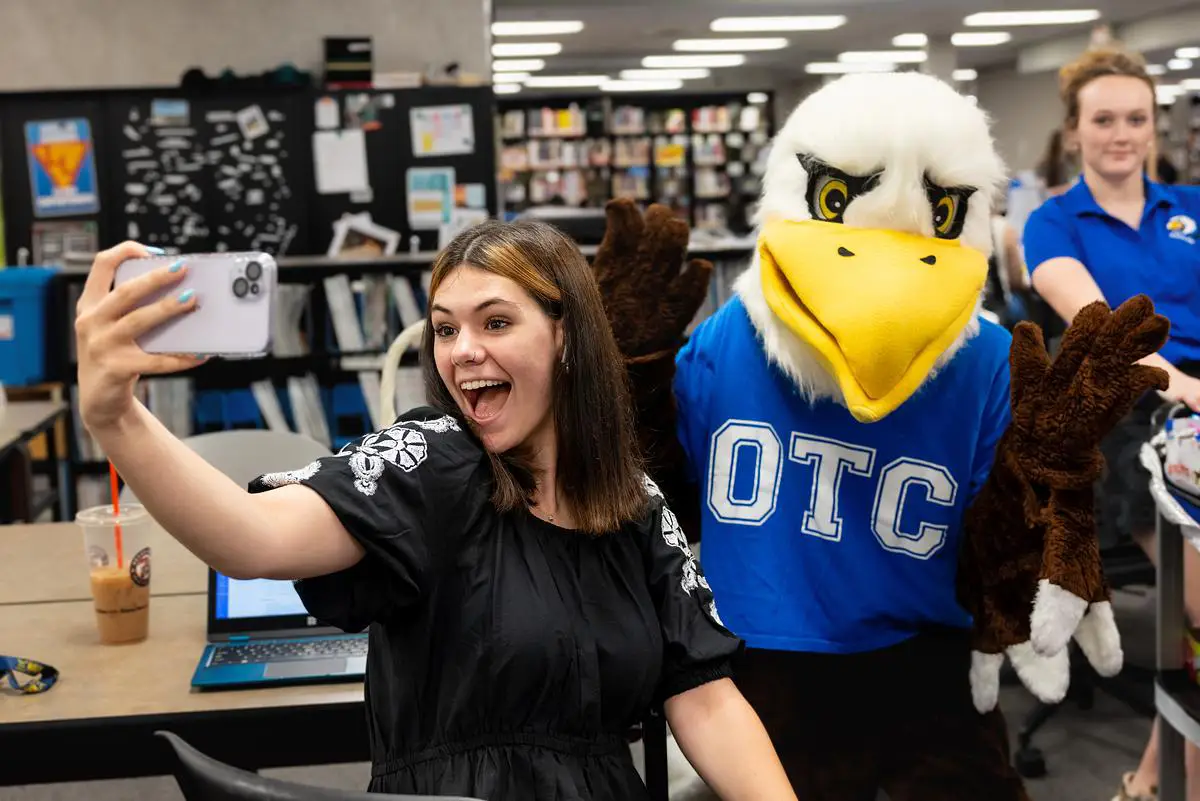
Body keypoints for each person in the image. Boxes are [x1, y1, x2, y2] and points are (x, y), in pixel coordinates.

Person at [72, 221, 797, 801]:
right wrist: (115, 417)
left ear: (566, 335)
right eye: (445, 329)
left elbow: (705, 698)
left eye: (496, 322)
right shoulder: (434, 458)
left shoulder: (633, 503)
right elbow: (251, 538)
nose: (463, 351)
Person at [1022, 45, 1200, 801]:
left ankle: (1154, 776)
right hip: (1126, 415)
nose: (1121, 134)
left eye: (1136, 118)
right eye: (1104, 120)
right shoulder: (1051, 222)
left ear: (1154, 124)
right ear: (1074, 130)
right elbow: (1100, 329)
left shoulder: (1191, 207)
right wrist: (1183, 385)